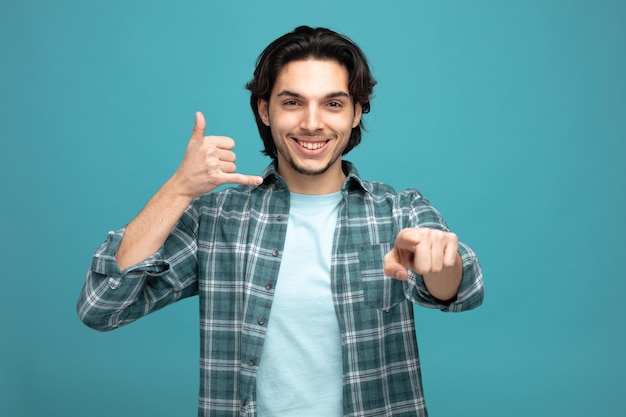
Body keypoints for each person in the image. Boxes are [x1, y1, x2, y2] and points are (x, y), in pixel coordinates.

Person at [77, 25, 484, 417]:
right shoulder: (217, 221)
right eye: (292, 102)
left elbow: (462, 290)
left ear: (357, 113)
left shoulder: (399, 211)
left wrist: (442, 261)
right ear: (265, 110)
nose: (312, 122)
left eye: (334, 103)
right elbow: (102, 307)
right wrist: (179, 189)